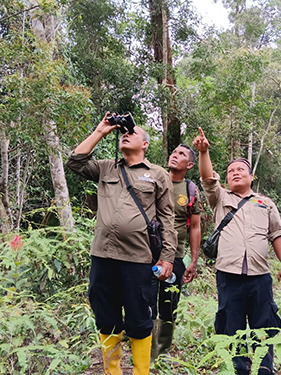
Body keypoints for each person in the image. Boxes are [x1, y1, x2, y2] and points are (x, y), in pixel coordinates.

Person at [66, 112, 177, 375]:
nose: (126, 134)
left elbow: (167, 218)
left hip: (138, 259)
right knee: (106, 319)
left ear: (145, 144)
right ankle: (112, 371)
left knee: (140, 320)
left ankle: (141, 372)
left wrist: (168, 257)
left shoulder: (158, 174)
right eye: (124, 133)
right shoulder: (106, 167)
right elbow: (74, 162)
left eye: (133, 132)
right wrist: (101, 131)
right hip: (103, 257)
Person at [193, 128, 281, 375]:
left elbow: (277, 234)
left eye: (240, 170)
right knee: (231, 325)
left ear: (251, 176)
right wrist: (203, 152)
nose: (235, 173)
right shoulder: (219, 197)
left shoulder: (265, 202)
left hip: (260, 276)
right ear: (226, 179)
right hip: (228, 274)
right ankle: (237, 369)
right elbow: (207, 177)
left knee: (265, 325)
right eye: (230, 171)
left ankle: (264, 369)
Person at [150, 144, 202, 362]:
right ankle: (146, 351)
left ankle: (163, 352)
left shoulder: (190, 190)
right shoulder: (154, 180)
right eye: (173, 152)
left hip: (176, 256)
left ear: (189, 165)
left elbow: (195, 227)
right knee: (146, 302)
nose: (175, 155)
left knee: (169, 303)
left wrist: (194, 260)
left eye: (181, 154)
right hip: (147, 253)